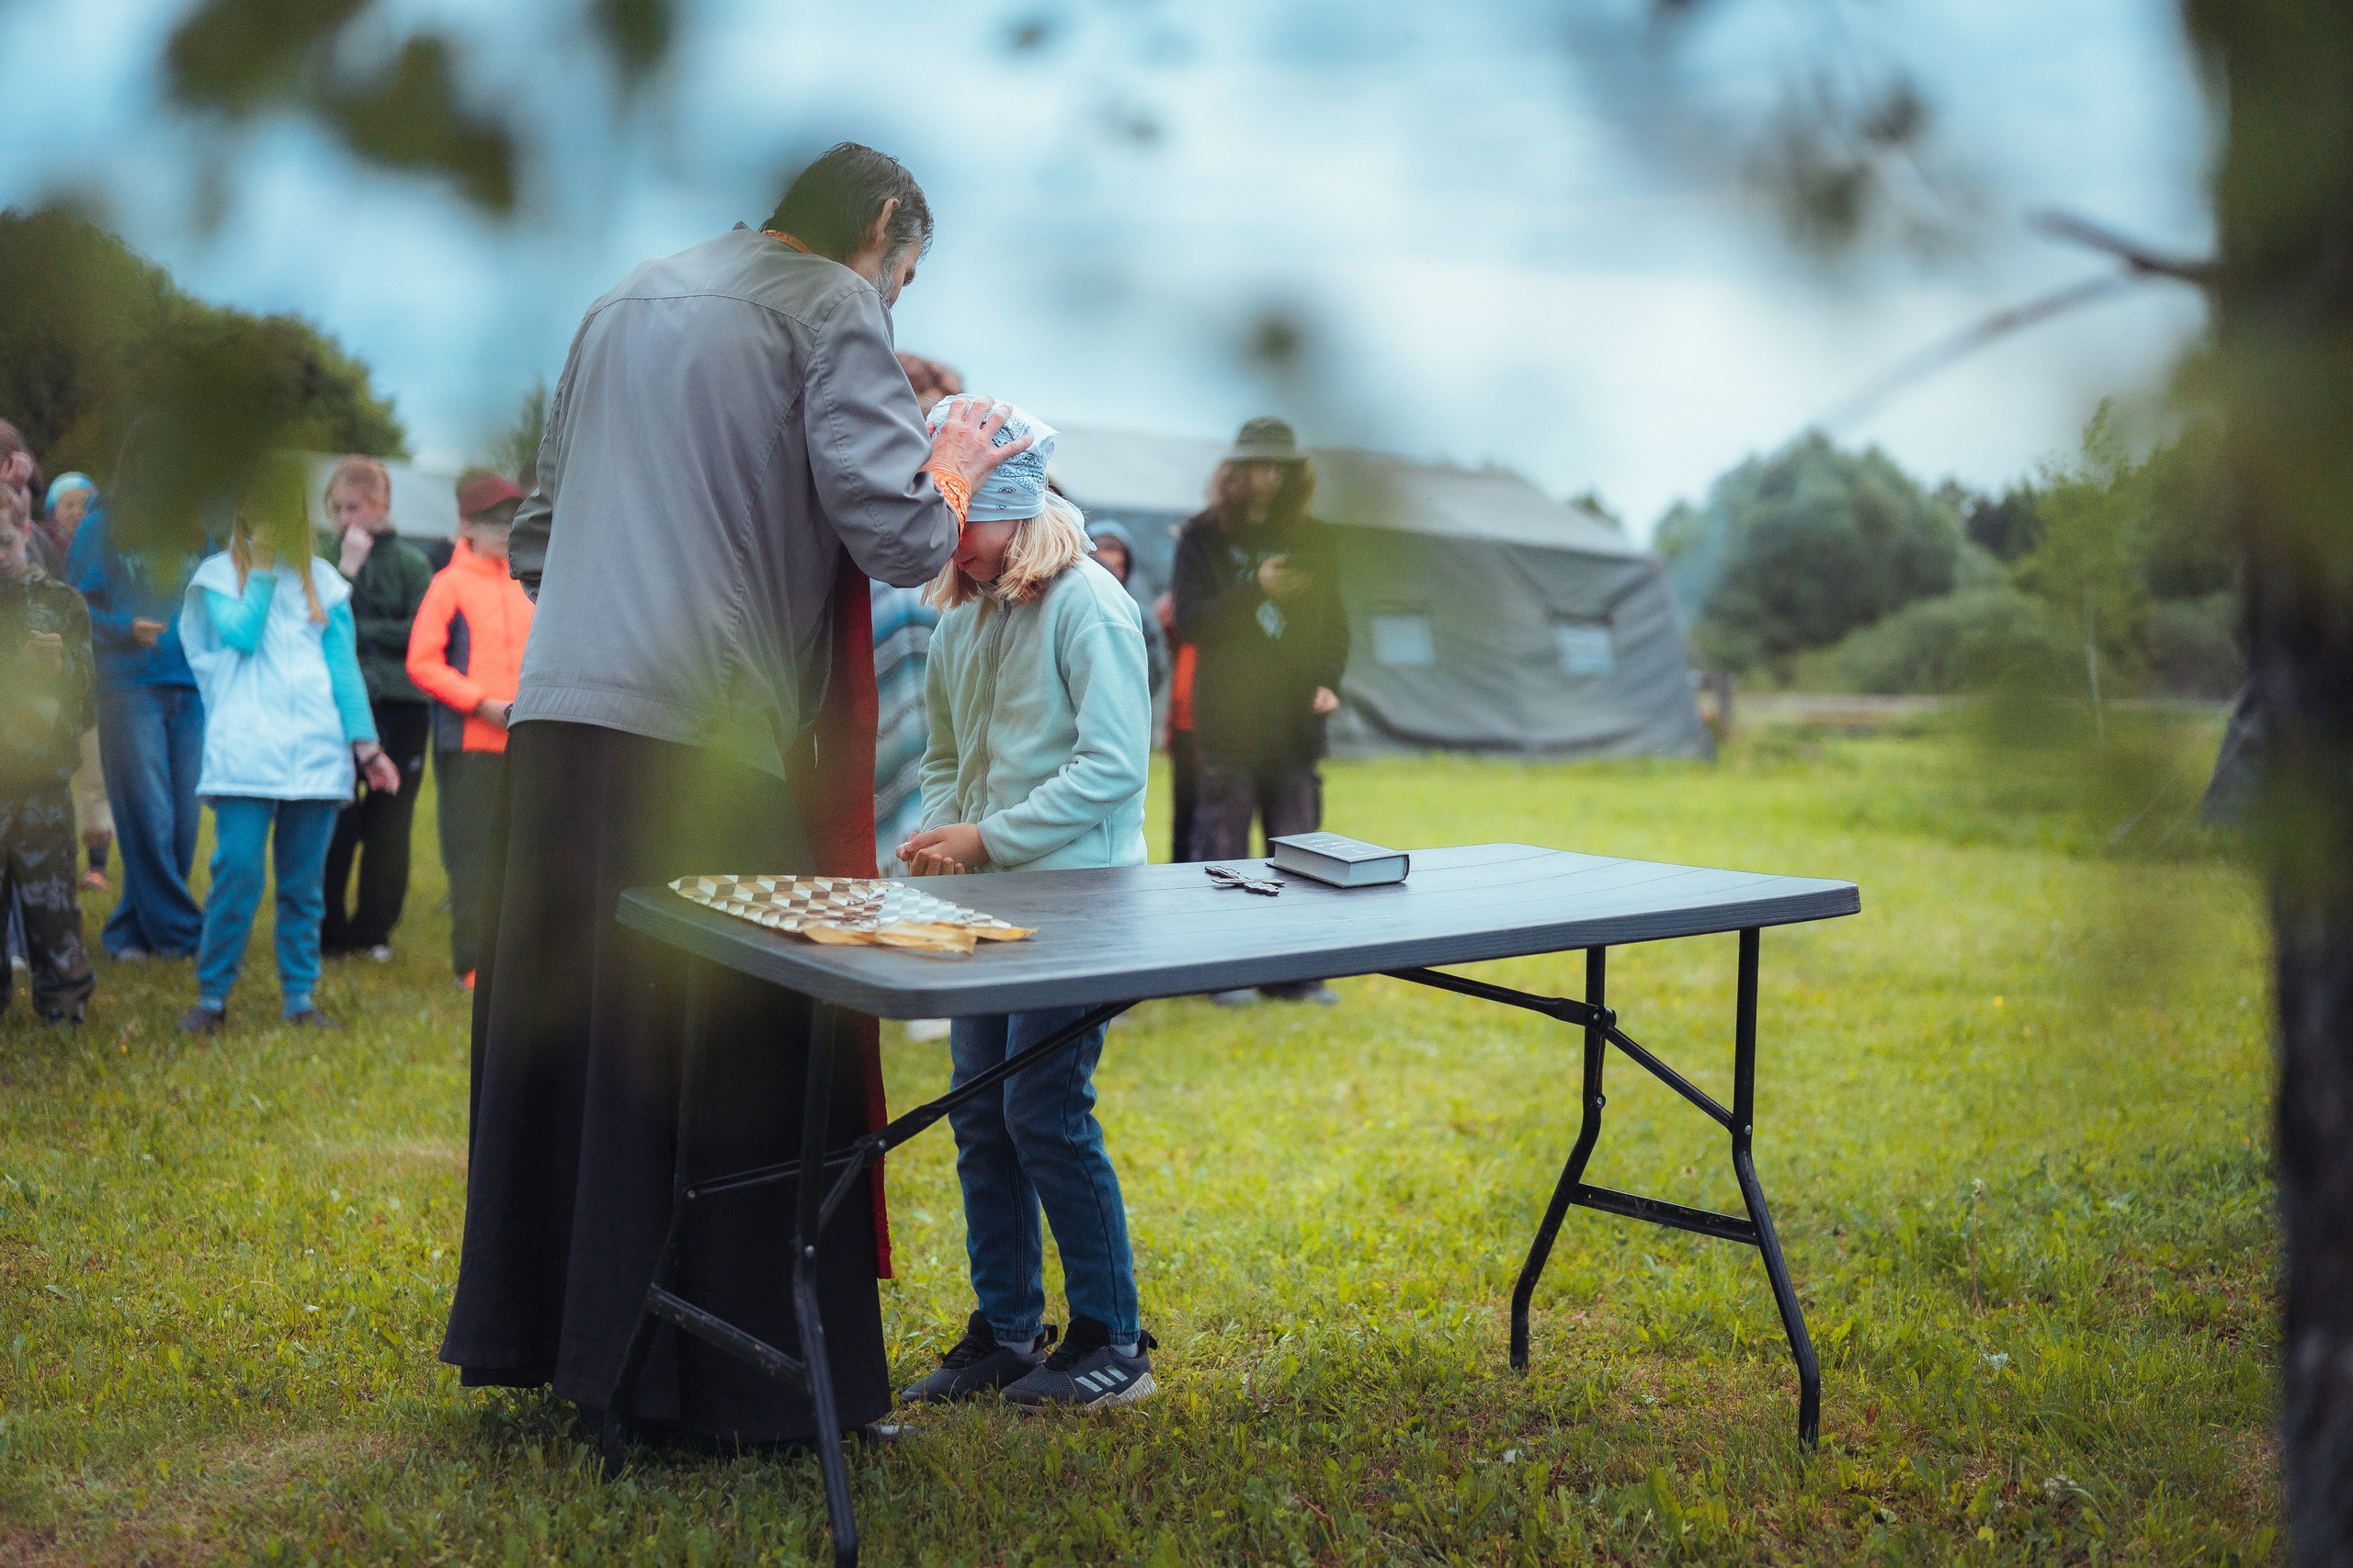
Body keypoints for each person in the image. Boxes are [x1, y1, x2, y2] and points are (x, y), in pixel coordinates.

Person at [442, 142, 1034, 1449]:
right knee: (752, 1048)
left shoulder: (621, 300)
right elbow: (903, 534)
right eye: (907, 278)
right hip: (702, 736)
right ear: (879, 229)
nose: (898, 307)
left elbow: (536, 538)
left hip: (557, 725)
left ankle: (559, 1344)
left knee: (584, 1042)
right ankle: (726, 1389)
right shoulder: (831, 304)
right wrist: (946, 453)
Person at [894, 397, 1158, 1411]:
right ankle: (1006, 1329)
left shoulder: (1089, 603)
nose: (948, 538)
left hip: (1080, 904)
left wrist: (990, 838)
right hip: (985, 907)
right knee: (978, 1113)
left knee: (1042, 1108)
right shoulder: (960, 616)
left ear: (1013, 504)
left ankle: (1110, 1338)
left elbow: (1110, 770)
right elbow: (947, 758)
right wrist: (940, 836)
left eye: (962, 515)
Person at [176, 456, 401, 1035]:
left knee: (304, 887)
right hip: (247, 756)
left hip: (315, 756)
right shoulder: (218, 578)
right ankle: (212, 995)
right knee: (238, 872)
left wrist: (367, 749)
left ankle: (300, 998)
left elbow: (344, 668)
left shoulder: (326, 584)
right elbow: (244, 636)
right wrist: (268, 565)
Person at [1170, 417, 1349, 1006]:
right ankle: (1223, 972)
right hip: (1227, 717)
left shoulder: (1316, 539)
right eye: (1256, 466)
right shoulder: (1202, 537)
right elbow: (1192, 619)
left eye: (1278, 467)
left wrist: (1327, 679)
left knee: (1301, 848)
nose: (1267, 478)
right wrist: (1257, 592)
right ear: (1236, 471)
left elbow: (1335, 625)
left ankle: (1295, 974)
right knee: (1223, 846)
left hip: (1296, 720)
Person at [64, 425, 208, 960]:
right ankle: (183, 936)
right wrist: (126, 627)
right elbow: (74, 607)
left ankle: (130, 931)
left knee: (183, 822)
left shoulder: (197, 530)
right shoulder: (101, 526)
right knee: (149, 813)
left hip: (191, 686)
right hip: (129, 686)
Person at [406, 469, 532, 988]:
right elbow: (422, 662)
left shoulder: (531, 584)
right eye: (493, 520)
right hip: (471, 745)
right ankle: (474, 967)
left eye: (512, 519)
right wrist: (480, 704)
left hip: (528, 742)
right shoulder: (447, 585)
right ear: (467, 525)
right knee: (473, 857)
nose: (505, 529)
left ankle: (518, 960)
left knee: (522, 856)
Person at [318, 456, 433, 961]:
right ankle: (328, 928)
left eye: (354, 507)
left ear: (381, 505)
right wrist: (347, 571)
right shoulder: (323, 558)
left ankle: (374, 929)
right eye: (338, 508)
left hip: (402, 705)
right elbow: (316, 621)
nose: (346, 518)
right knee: (337, 818)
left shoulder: (411, 564)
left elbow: (422, 633)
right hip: (340, 705)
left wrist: (361, 632)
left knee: (390, 821)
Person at [0, 483, 97, 1026]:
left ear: (25, 536)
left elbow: (86, 697)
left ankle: (63, 1002)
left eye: (4, 543)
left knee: (52, 900)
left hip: (41, 777)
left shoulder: (60, 603)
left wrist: (59, 671)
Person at [46, 474, 112, 891]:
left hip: (93, 680)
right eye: (67, 503)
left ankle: (97, 864)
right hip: (50, 678)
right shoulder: (38, 550)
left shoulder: (101, 549)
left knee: (94, 776)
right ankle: (49, 858)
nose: (76, 510)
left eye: (84, 502)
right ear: (53, 511)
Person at [1085, 519, 1167, 699]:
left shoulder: (1138, 617)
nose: (1111, 575)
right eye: (1101, 566)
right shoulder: (1066, 609)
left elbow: (1153, 673)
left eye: (1118, 567)